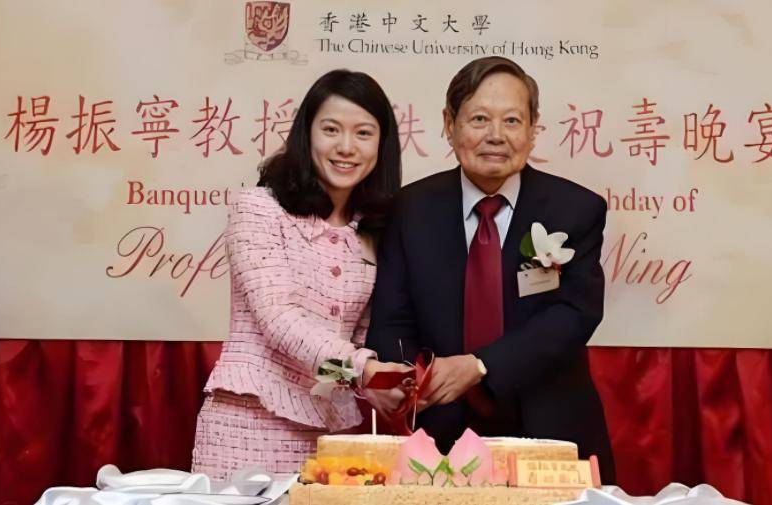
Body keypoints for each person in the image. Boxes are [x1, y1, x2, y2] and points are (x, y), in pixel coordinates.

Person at [366, 57, 616, 483]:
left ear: (533, 129)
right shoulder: (409, 210)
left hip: (549, 429)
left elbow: (575, 315)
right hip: (438, 435)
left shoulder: (575, 209)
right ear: (449, 124)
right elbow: (392, 320)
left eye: (512, 120)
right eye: (479, 119)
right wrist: (410, 380)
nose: (496, 135)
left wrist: (479, 365)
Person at [192, 69, 409, 480]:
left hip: (329, 437)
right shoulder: (258, 208)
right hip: (248, 425)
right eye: (331, 129)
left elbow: (355, 334)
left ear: (382, 145)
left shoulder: (372, 230)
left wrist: (373, 385)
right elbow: (279, 320)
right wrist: (364, 369)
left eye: (364, 133)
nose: (346, 147)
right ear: (306, 134)